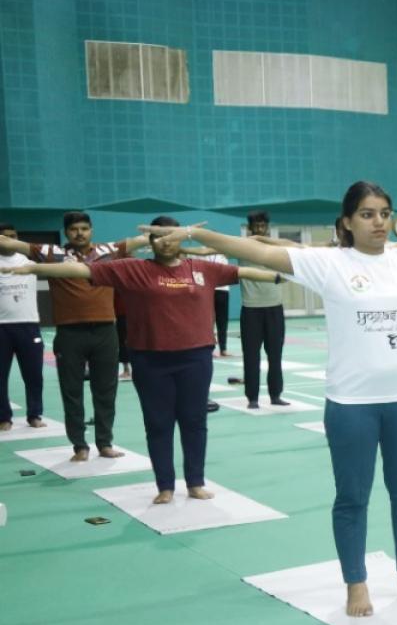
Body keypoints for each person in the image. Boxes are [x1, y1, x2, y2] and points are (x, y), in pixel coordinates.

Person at [147, 181, 397, 618]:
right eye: (368, 214)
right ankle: (356, 583)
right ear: (347, 222)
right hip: (351, 405)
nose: (379, 222)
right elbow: (256, 251)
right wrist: (197, 236)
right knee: (352, 497)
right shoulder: (328, 263)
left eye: (385, 213)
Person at [10, 216, 277, 502]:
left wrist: (280, 275)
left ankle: (195, 482)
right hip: (151, 361)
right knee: (158, 423)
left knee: (194, 422)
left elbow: (244, 272)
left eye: (171, 236)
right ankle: (165, 486)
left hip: (196, 358)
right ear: (150, 243)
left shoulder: (203, 269)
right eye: (158, 237)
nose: (165, 242)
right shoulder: (134, 269)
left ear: (181, 238)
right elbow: (81, 268)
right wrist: (34, 267)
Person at [2, 212, 150, 462]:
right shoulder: (52, 253)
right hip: (69, 334)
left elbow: (141, 241)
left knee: (105, 391)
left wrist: (179, 232)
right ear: (66, 232)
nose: (79, 233)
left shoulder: (109, 250)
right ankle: (79, 446)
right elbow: (10, 243)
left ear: (91, 230)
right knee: (71, 392)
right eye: (73, 229)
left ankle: (105, 443)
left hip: (105, 331)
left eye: (84, 228)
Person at [234, 211, 297, 407]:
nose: (260, 229)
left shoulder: (276, 247)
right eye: (256, 226)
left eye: (263, 226)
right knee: (251, 356)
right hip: (251, 309)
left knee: (275, 356)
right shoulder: (242, 247)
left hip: (274, 309)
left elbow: (298, 250)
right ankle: (252, 398)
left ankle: (275, 395)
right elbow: (216, 248)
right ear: (250, 227)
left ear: (267, 227)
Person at [0, 224, 47, 431]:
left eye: (13, 236)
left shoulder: (30, 260)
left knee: (34, 375)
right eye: (4, 237)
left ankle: (34, 414)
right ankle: (3, 417)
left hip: (28, 326)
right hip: (1, 328)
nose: (9, 240)